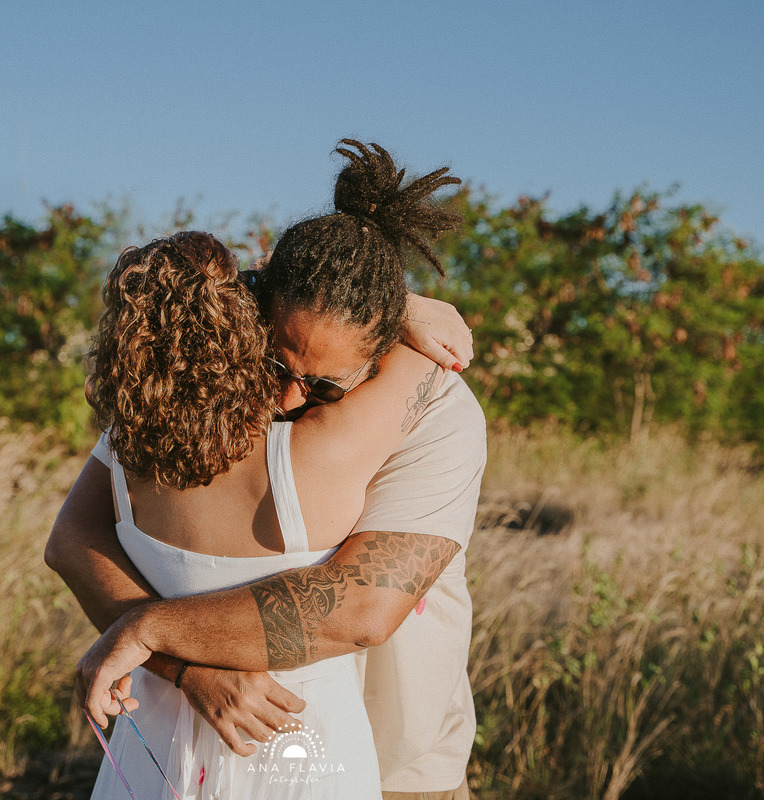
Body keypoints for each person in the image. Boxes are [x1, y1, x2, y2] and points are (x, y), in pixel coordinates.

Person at [48, 141, 487, 800]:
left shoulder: (437, 403)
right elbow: (74, 538)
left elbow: (363, 606)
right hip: (218, 736)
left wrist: (152, 630)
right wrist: (187, 667)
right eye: (275, 363)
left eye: (325, 387)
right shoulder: (195, 392)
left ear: (384, 352)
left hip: (402, 753)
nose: (286, 398)